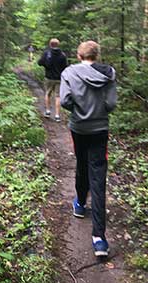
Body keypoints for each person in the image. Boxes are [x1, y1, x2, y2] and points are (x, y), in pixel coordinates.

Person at [60, 41, 117, 257]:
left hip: (79, 128)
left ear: (79, 55)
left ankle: (80, 204)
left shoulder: (69, 72)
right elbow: (111, 103)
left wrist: (79, 111)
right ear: (97, 54)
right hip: (100, 129)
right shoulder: (108, 73)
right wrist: (98, 111)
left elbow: (65, 101)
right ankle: (99, 238)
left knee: (81, 163)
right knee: (98, 175)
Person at [38, 38, 67, 122]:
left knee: (47, 93)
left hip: (49, 78)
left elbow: (40, 62)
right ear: (58, 45)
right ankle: (57, 115)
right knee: (58, 96)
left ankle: (47, 111)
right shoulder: (62, 55)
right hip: (59, 78)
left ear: (50, 44)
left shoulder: (47, 53)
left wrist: (46, 65)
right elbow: (65, 67)